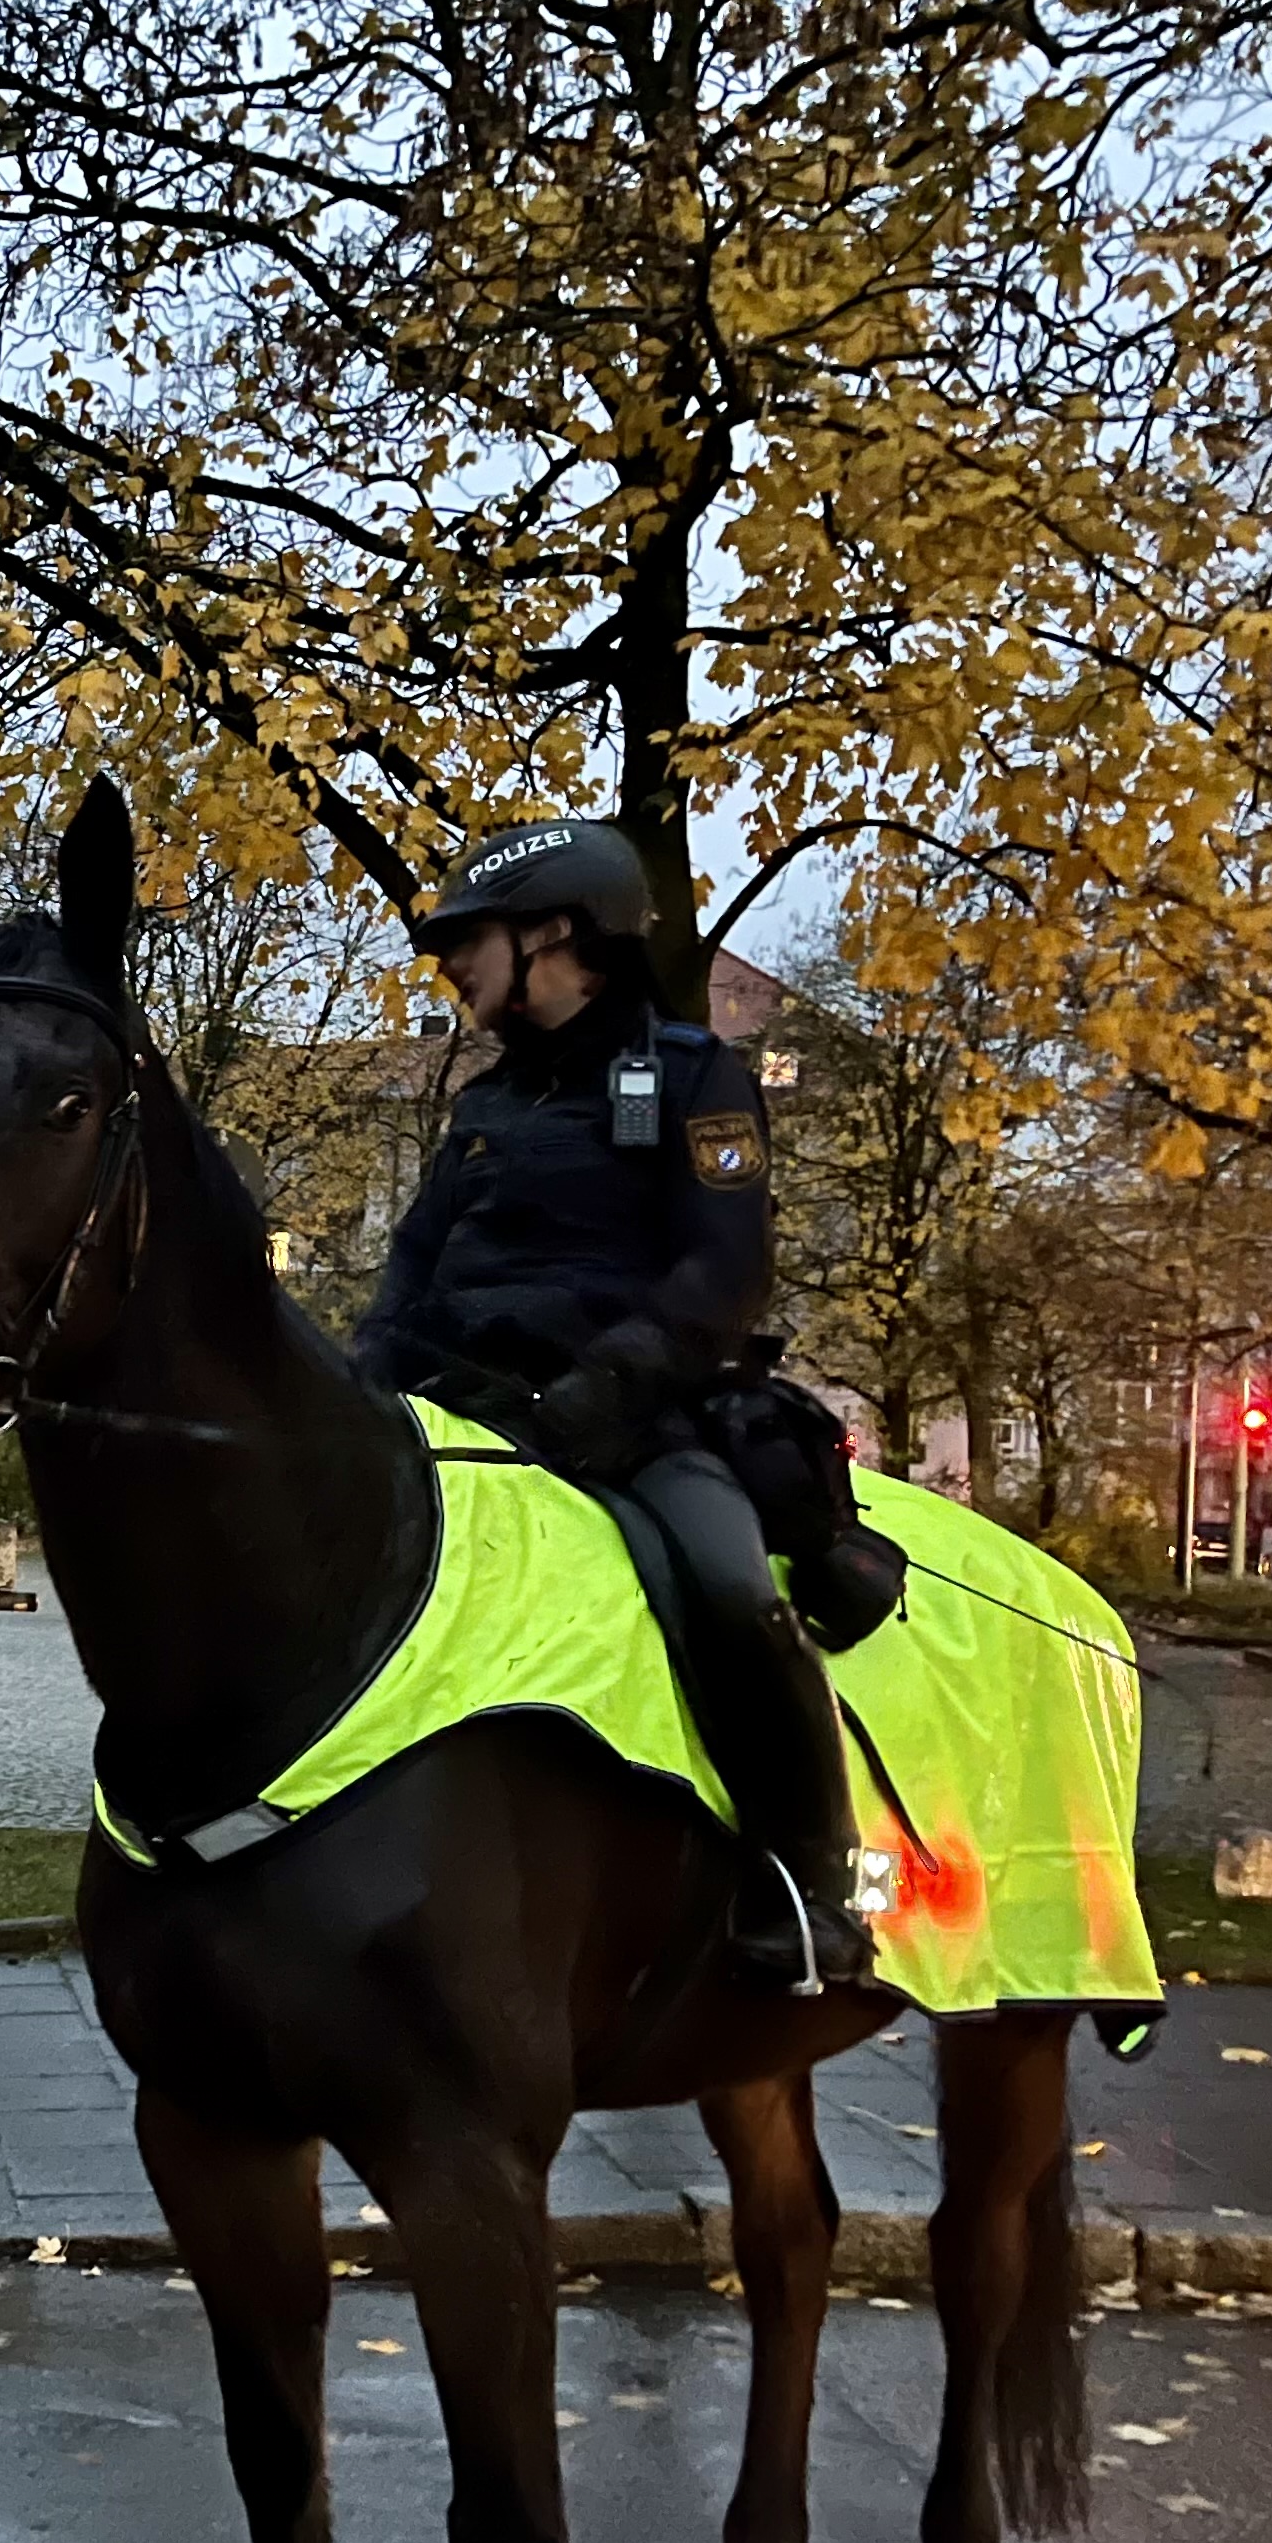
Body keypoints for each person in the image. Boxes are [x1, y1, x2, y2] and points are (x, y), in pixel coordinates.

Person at [352, 823, 873, 1994]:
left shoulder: (697, 1078)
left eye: (464, 939)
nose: (446, 962)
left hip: (631, 1424)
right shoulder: (483, 1104)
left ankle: (808, 1886)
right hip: (459, 1422)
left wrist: (603, 1390)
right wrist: (358, 1385)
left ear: (554, 933)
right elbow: (408, 1275)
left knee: (736, 1595)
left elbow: (723, 1278)